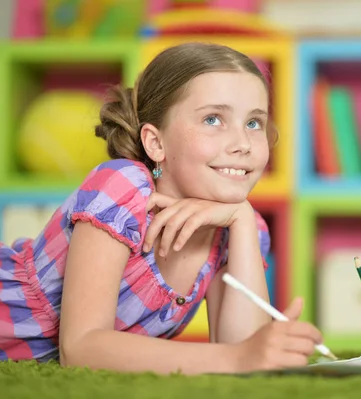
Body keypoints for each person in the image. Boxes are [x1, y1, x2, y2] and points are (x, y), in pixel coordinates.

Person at [0, 42, 324, 375]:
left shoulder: (241, 229)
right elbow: (80, 347)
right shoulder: (123, 187)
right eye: (213, 119)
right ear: (156, 143)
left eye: (254, 123)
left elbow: (248, 358)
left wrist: (241, 219)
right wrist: (239, 358)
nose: (243, 143)